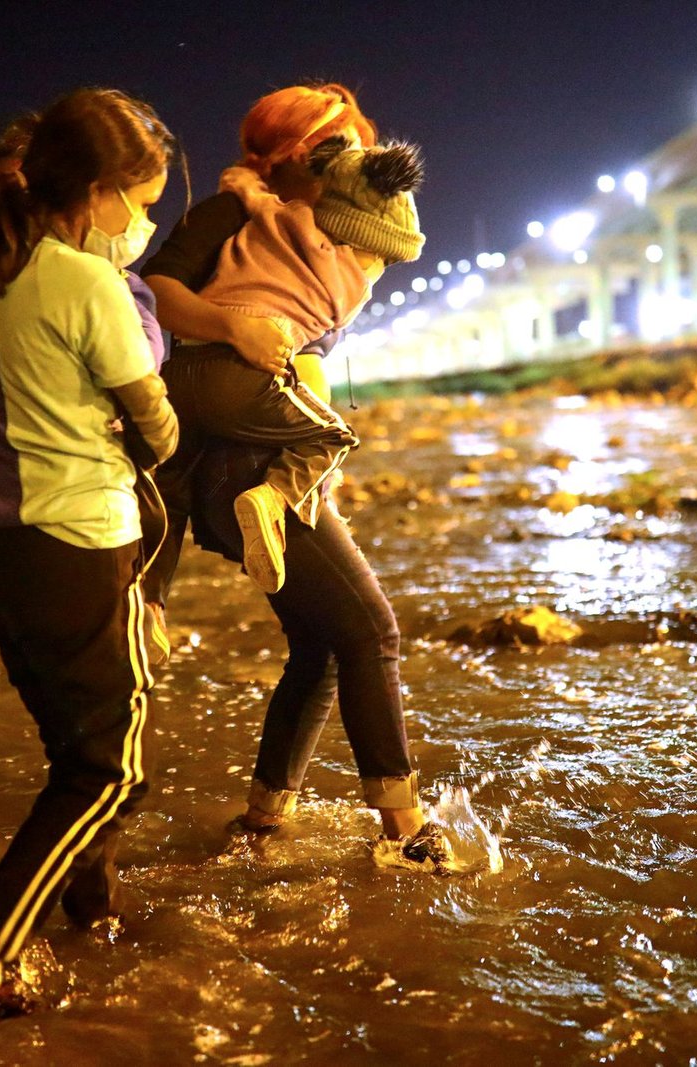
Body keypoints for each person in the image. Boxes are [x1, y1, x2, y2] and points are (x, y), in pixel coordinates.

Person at [140, 84, 450, 865]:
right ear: (288, 159)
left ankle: (262, 819)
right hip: (235, 467)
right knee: (372, 629)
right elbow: (158, 293)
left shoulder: (331, 231)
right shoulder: (233, 214)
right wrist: (231, 326)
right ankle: (406, 829)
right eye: (330, 149)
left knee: (319, 643)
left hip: (263, 448)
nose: (343, 162)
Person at [0, 87, 179, 1018]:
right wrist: (150, 420)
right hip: (76, 543)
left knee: (70, 745)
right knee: (110, 770)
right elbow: (153, 422)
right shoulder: (87, 282)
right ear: (99, 192)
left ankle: (93, 912)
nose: (144, 220)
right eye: (142, 199)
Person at [0, 118, 169, 710]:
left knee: (80, 720)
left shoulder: (100, 277)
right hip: (22, 499)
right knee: (104, 735)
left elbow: (145, 362)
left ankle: (147, 603)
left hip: (51, 505)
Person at [173, 136, 425, 593]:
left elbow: (251, 194)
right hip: (240, 378)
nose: (381, 268)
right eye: (382, 257)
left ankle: (151, 597)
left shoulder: (272, 216)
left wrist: (242, 182)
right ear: (358, 241)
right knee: (333, 434)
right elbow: (312, 349)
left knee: (167, 489)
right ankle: (274, 497)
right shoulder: (349, 285)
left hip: (183, 365)